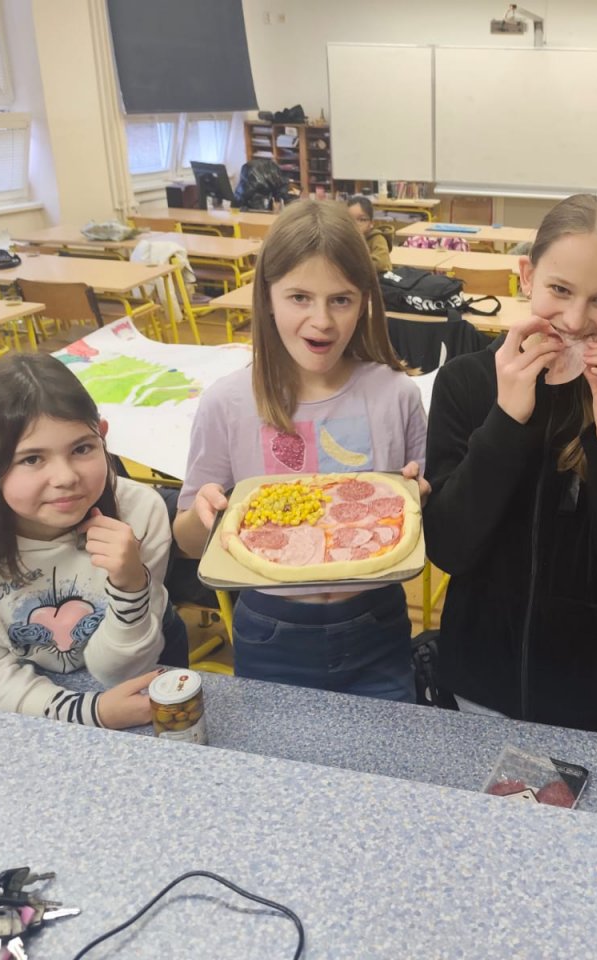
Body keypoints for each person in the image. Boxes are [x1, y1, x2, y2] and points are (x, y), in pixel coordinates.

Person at [423, 193, 597, 735]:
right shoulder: (466, 383)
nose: (576, 320)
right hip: (480, 686)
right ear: (527, 276)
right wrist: (507, 421)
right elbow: (449, 547)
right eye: (560, 290)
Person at [173, 200, 426, 701]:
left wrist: (421, 498)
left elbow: (419, 521)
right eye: (299, 297)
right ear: (267, 297)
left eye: (341, 299)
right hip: (270, 630)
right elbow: (185, 541)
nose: (321, 320)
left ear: (365, 300)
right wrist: (206, 516)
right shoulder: (227, 402)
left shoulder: (397, 395)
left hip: (376, 624)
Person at [0, 355, 175, 730]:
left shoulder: (140, 513)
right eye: (32, 459)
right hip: (31, 707)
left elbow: (119, 672)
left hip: (130, 668)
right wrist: (90, 712)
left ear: (103, 435)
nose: (65, 477)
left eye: (82, 448)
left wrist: (131, 585)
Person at [347, 195, 393, 273]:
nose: (355, 224)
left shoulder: (377, 238)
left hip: (375, 278)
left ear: (371, 223)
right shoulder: (344, 238)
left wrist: (351, 266)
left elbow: (381, 264)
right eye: (350, 219)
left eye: (362, 220)